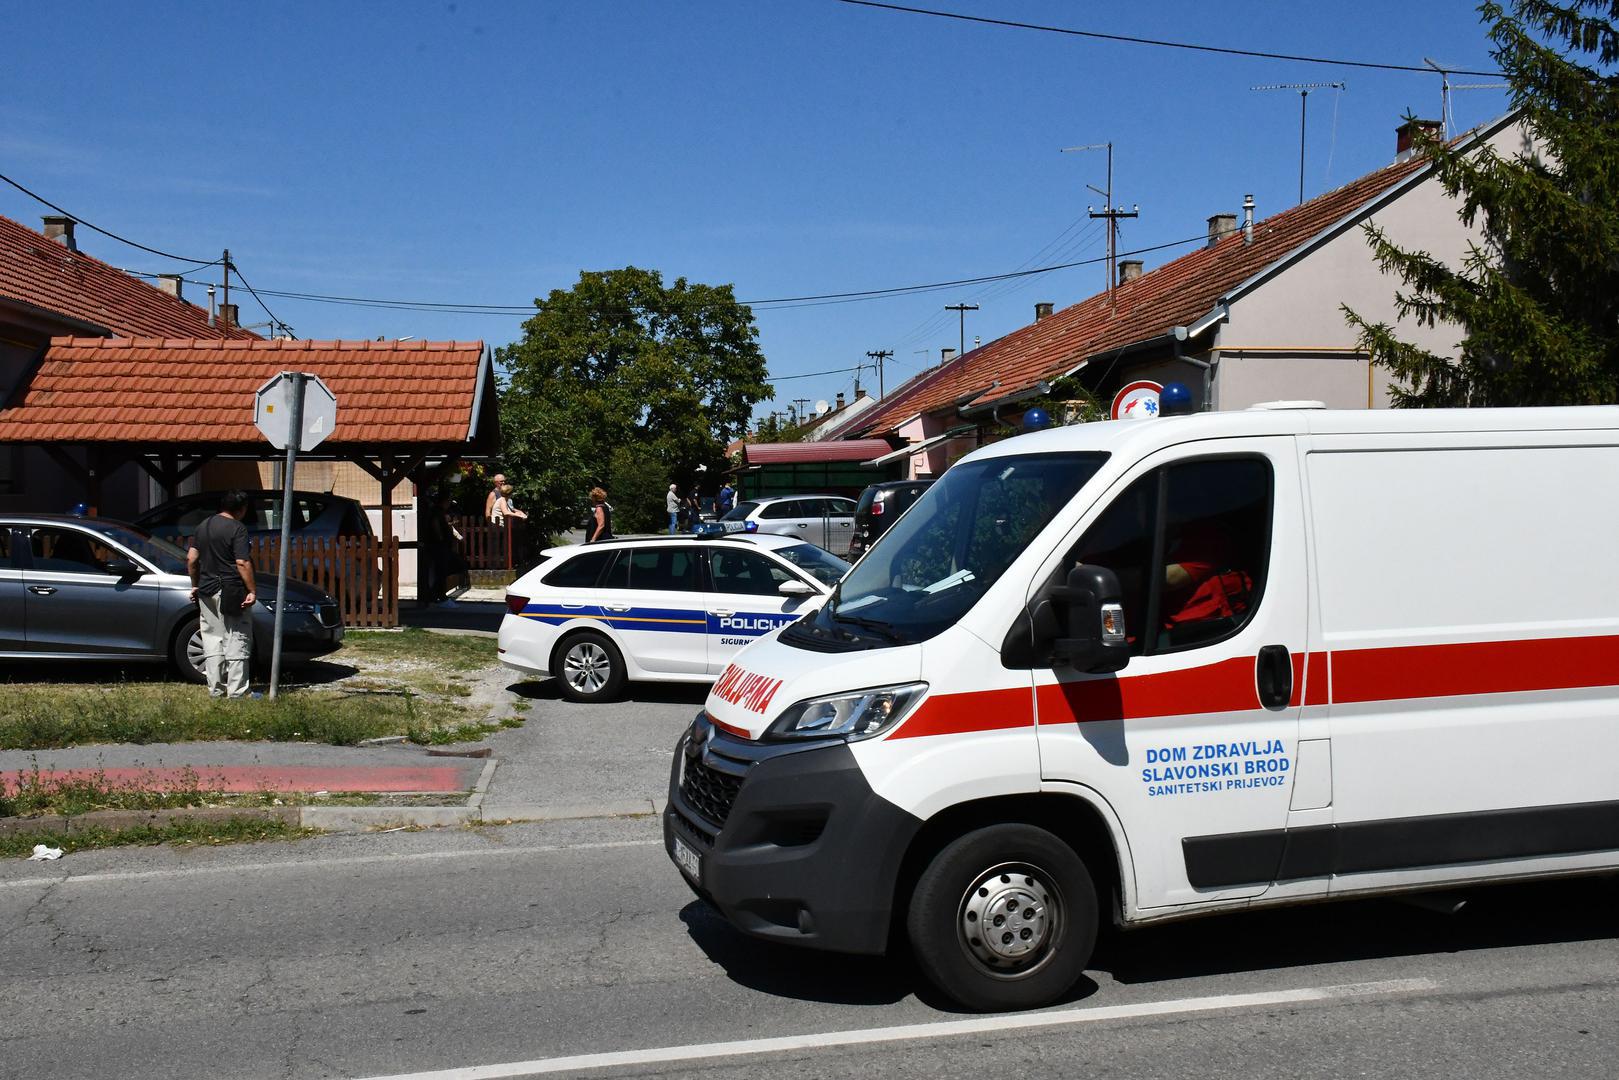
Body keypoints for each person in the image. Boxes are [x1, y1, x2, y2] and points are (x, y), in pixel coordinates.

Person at [186, 490, 258, 699]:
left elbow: (191, 559)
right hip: (231, 590)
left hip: (206, 590)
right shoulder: (237, 528)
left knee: (212, 639)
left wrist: (195, 585)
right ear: (242, 509)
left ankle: (216, 690)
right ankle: (238, 692)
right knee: (236, 637)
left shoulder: (203, 526)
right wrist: (252, 590)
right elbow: (242, 562)